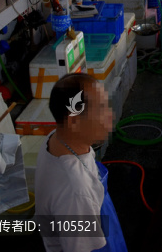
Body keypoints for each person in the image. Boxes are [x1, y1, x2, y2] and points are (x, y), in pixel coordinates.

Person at [36, 73, 127, 252]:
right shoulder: (77, 193)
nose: (110, 115)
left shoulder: (56, 139)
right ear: (75, 122)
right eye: (102, 109)